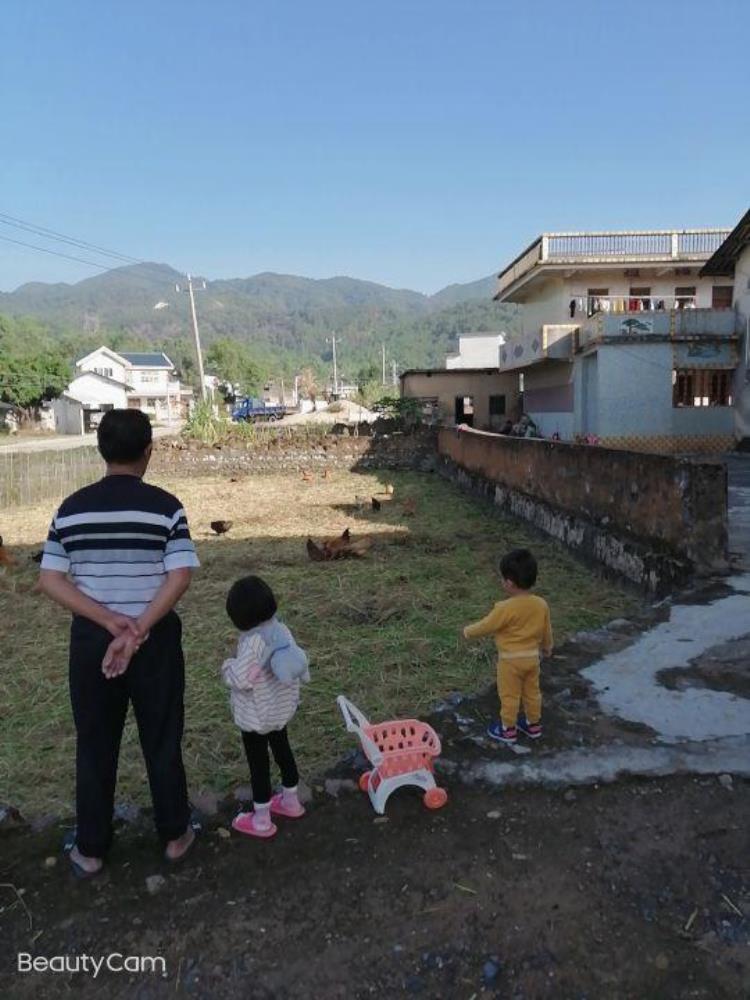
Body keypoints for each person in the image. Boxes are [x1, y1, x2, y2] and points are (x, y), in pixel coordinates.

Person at [39, 409, 200, 877]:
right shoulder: (167, 507)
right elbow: (180, 574)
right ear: (149, 451)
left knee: (95, 742)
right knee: (162, 737)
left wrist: (109, 622)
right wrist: (138, 628)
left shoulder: (70, 509)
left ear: (101, 450)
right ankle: (175, 835)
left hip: (93, 641)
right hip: (155, 640)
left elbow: (50, 579)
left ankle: (90, 849)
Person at [222, 576, 310, 839]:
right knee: (283, 752)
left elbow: (241, 679)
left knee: (259, 765)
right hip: (281, 711)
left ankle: (261, 818)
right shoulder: (281, 631)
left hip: (256, 718)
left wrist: (226, 666)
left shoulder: (252, 643)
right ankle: (291, 801)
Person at [462, 549, 552, 745]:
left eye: (503, 579)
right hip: (532, 659)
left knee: (509, 695)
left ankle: (508, 729)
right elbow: (546, 630)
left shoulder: (504, 608)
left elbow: (487, 625)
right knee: (532, 693)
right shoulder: (541, 604)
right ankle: (533, 725)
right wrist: (547, 647)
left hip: (510, 662)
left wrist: (468, 631)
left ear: (509, 583)